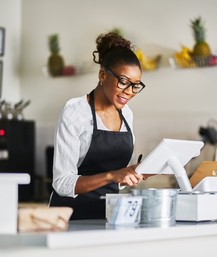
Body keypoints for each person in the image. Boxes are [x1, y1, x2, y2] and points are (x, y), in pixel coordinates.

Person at [49, 32, 146, 220]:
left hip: (108, 217)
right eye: (124, 82)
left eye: (136, 85)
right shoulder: (75, 112)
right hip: (70, 217)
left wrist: (133, 173)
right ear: (102, 75)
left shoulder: (126, 114)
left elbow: (116, 180)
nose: (130, 92)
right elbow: (62, 183)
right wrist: (112, 176)